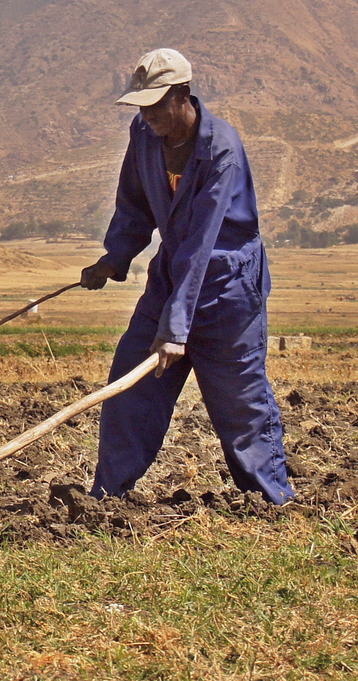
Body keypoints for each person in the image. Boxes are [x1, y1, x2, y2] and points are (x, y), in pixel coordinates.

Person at [79, 47, 293, 504]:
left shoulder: (221, 150)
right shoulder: (144, 134)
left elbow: (203, 245)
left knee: (239, 401)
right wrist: (115, 257)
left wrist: (176, 330)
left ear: (184, 95)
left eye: (157, 103)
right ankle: (106, 499)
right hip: (172, 277)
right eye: (142, 105)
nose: (148, 114)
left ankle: (272, 501)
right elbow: (134, 201)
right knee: (131, 386)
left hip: (227, 288)